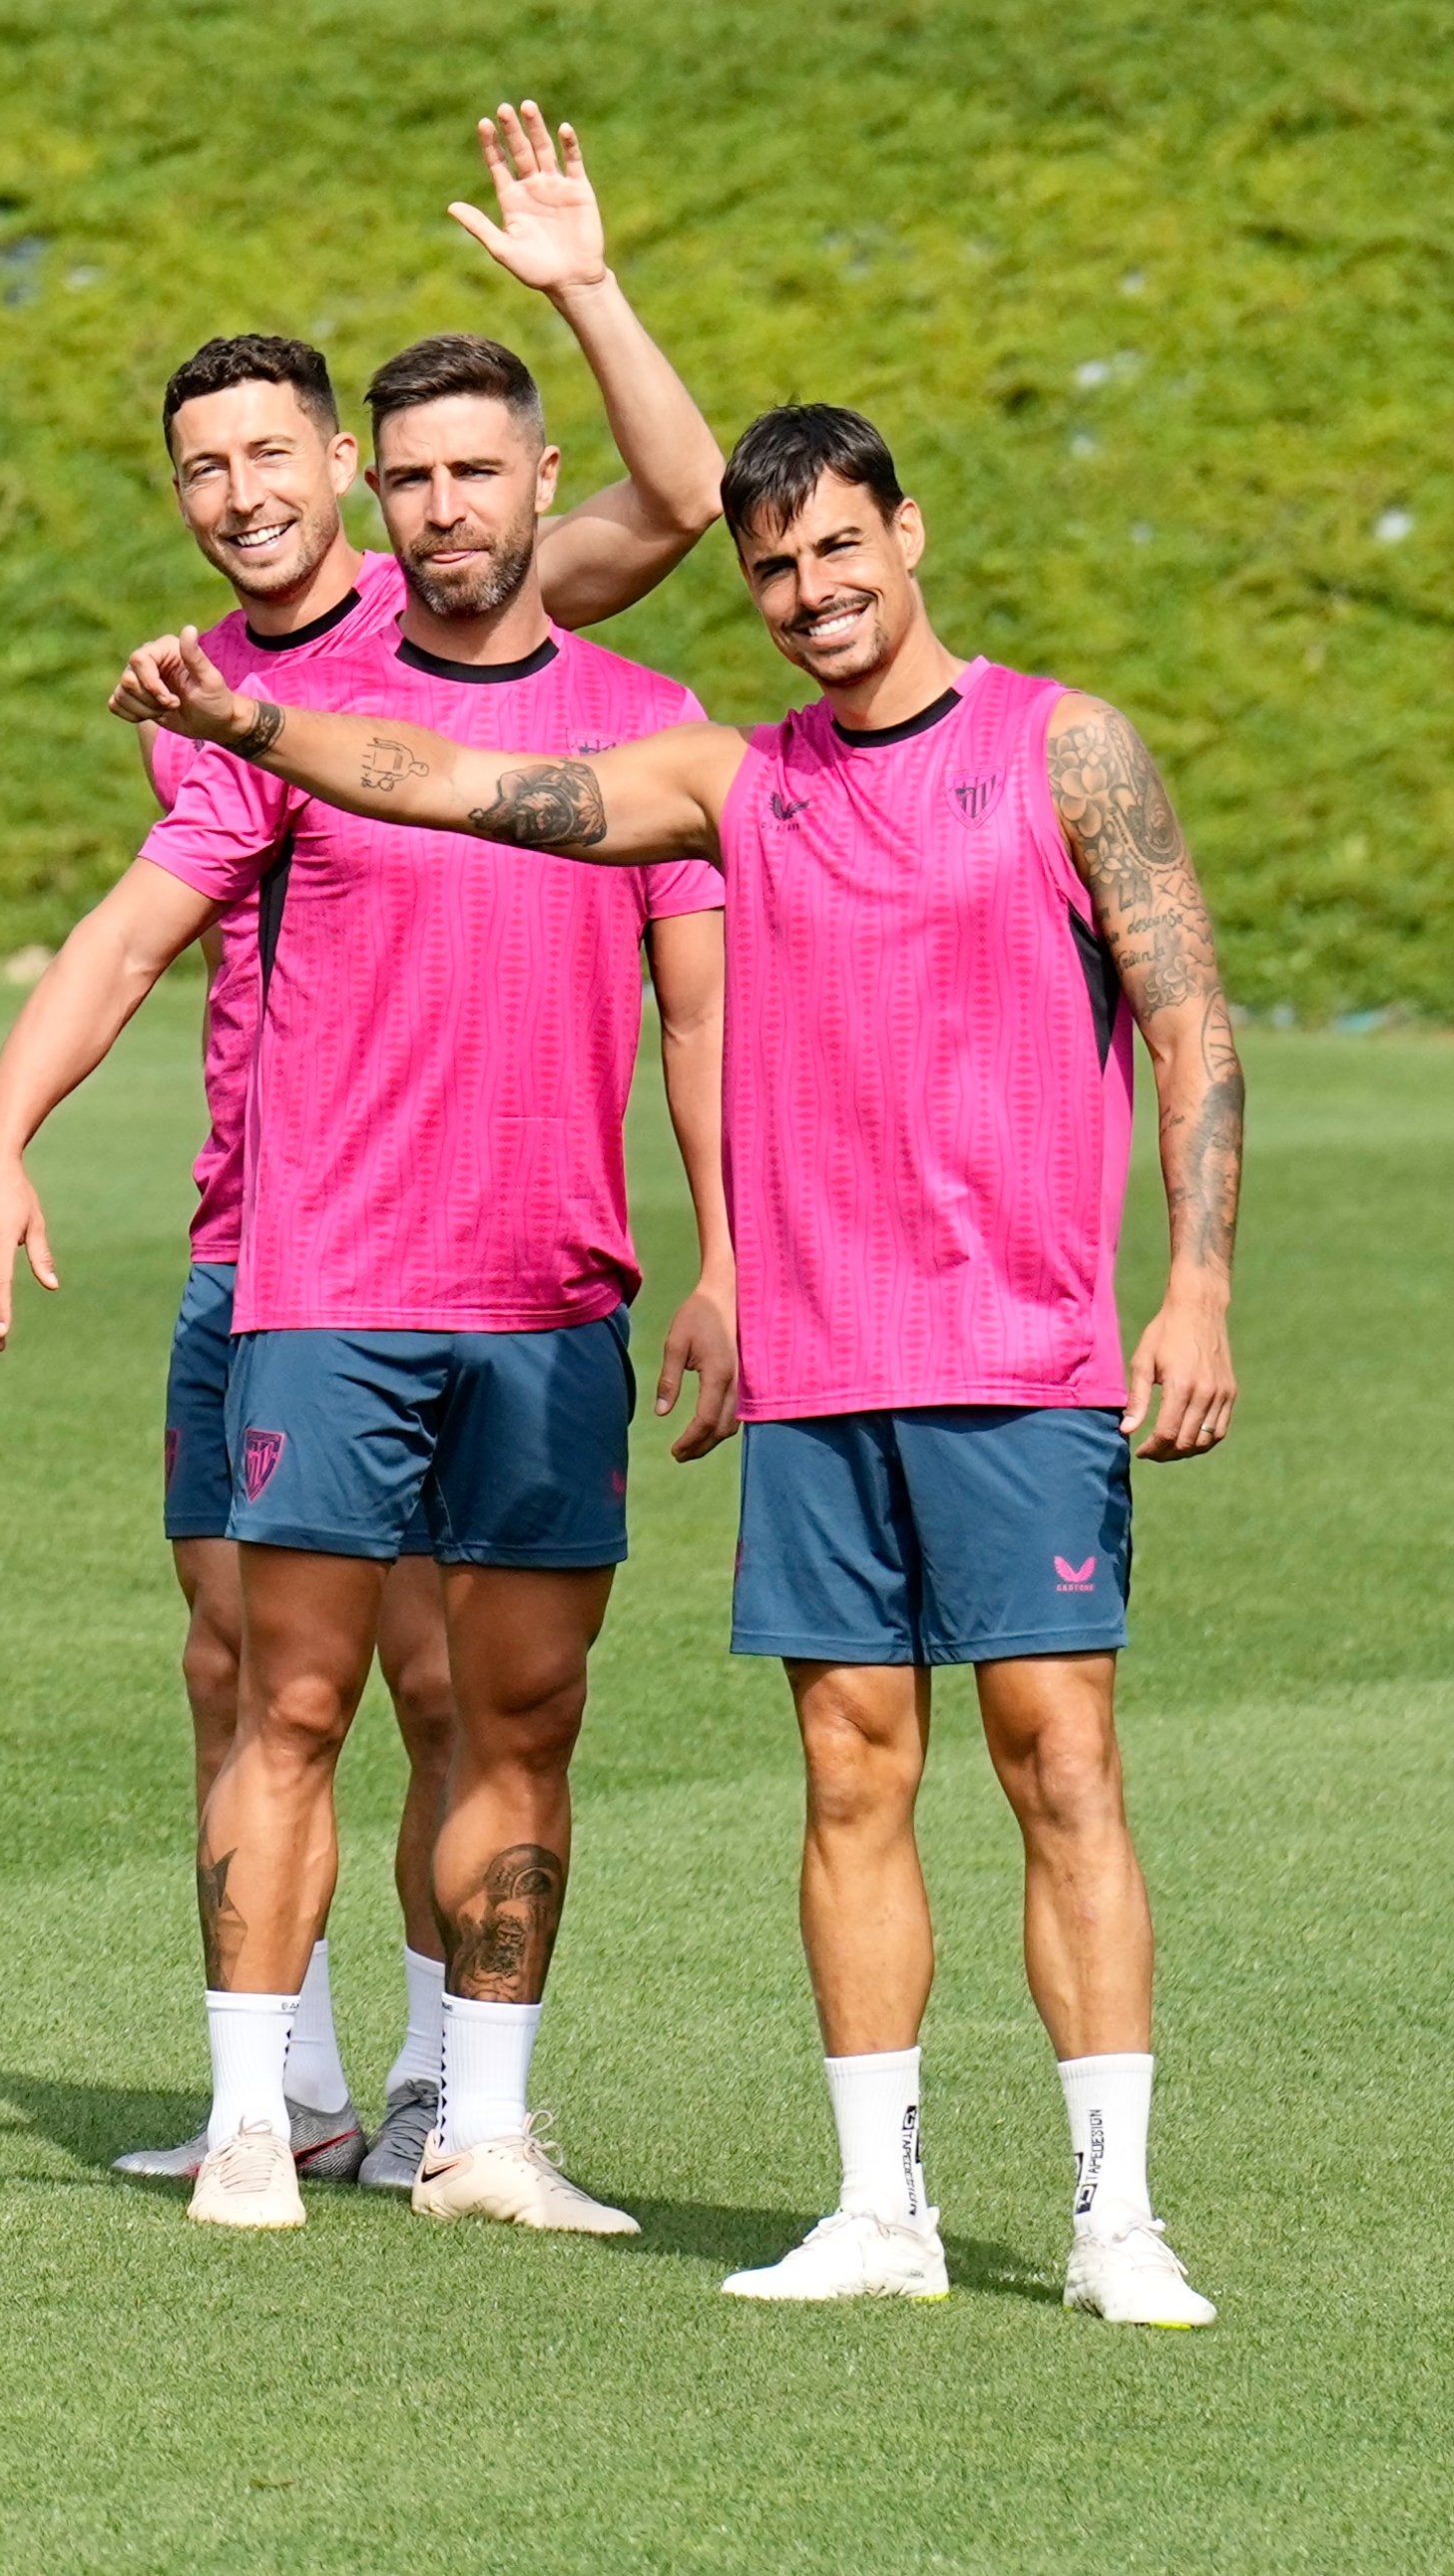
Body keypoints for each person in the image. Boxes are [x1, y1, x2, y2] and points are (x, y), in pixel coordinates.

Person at [110, 402, 1235, 2325]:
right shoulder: (734, 779)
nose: (811, 595)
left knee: (1065, 1767)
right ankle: (879, 2207)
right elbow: (458, 781)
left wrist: (1196, 1282)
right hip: (816, 1365)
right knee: (848, 1772)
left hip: (1024, 1354)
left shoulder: (1063, 747)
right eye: (775, 569)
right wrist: (259, 726)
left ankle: (1114, 2216)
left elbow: (1190, 1017)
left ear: (910, 532)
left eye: (839, 553)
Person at [0, 104, 729, 2194]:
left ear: (364, 485)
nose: (237, 497)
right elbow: (130, 930)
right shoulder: (230, 710)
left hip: (523, 1273)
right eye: (198, 469)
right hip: (284, 1255)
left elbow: (679, 499)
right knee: (255, 1673)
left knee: (462, 1691)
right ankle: (270, 2101)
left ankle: (437, 2103)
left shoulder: (542, 670)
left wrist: (575, 279)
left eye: (270, 459)